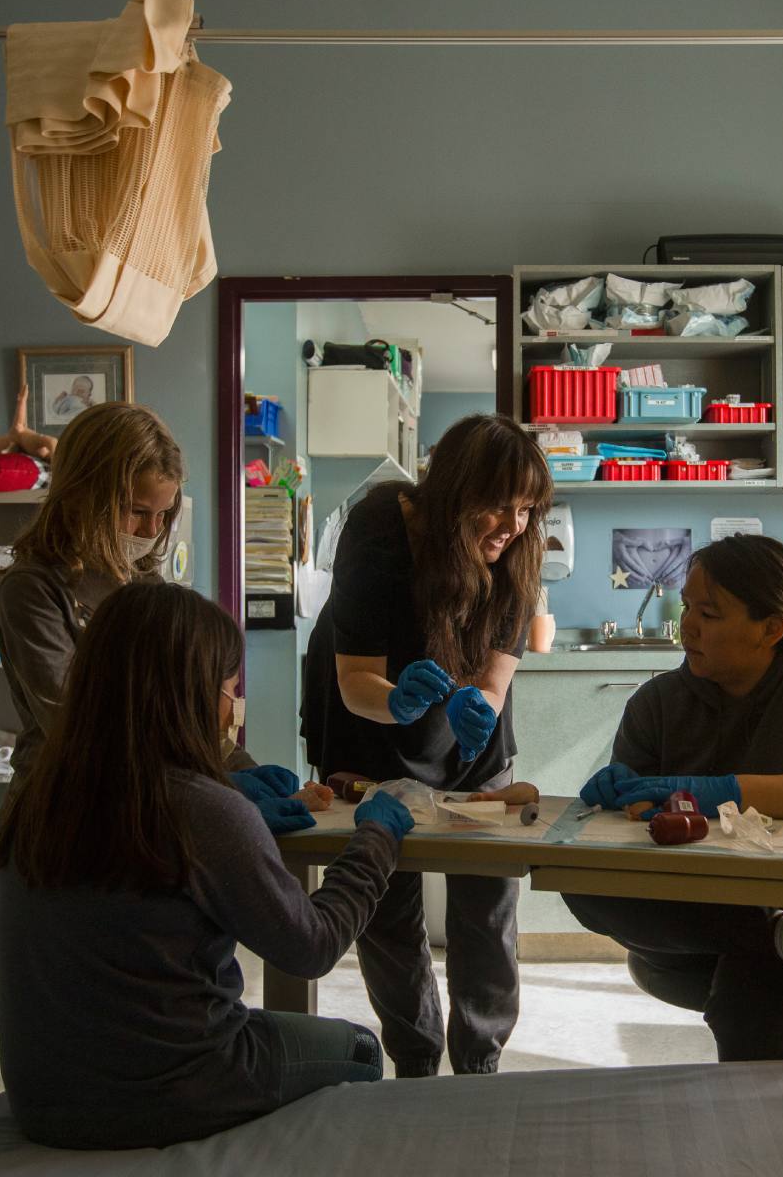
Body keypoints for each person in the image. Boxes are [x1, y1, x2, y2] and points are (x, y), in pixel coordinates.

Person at [0, 582, 416, 1150]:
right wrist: (376, 840)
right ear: (191, 695)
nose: (231, 706)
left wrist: (235, 810)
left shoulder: (37, 799)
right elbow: (311, 947)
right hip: (170, 1091)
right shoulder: (201, 811)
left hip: (44, 1101)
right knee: (360, 1049)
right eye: (228, 688)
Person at [562, 534, 783, 1062]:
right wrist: (617, 800)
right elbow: (631, 828)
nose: (688, 626)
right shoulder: (659, 702)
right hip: (693, 901)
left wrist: (726, 792)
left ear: (770, 629)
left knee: (761, 983)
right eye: (687, 608)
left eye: (709, 613)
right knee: (579, 883)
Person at [300, 413, 553, 1078]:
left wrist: (480, 712)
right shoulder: (381, 528)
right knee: (385, 904)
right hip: (364, 716)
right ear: (454, 492)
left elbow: (493, 683)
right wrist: (397, 702)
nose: (513, 524)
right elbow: (356, 680)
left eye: (527, 508)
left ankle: (479, 1063)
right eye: (497, 504)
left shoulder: (520, 555)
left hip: (468, 727)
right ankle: (415, 1060)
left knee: (487, 901)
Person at [0, 402, 315, 824]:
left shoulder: (142, 579)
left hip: (144, 804)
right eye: (137, 512)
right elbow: (76, 728)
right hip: (64, 813)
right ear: (82, 496)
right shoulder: (34, 589)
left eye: (163, 514)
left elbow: (187, 706)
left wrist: (243, 769)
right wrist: (218, 790)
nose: (151, 531)